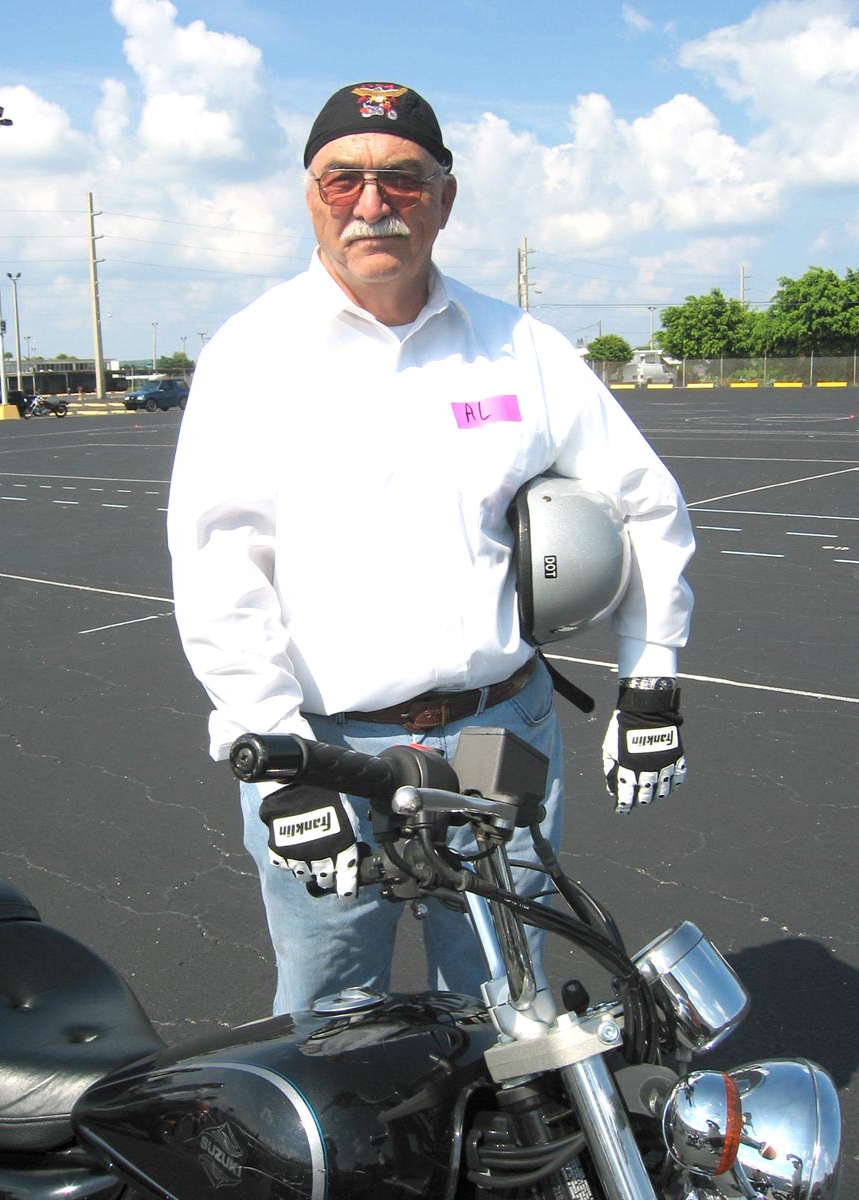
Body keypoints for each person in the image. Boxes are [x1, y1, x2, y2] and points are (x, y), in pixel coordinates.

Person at [166, 81, 694, 1015]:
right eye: (343, 180)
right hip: (328, 747)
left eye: (403, 180)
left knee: (506, 1006)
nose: (372, 204)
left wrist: (650, 675)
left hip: (500, 733)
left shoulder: (521, 346)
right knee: (332, 1015)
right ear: (310, 197)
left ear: (444, 200)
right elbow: (219, 568)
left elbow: (644, 503)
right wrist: (277, 752)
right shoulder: (252, 354)